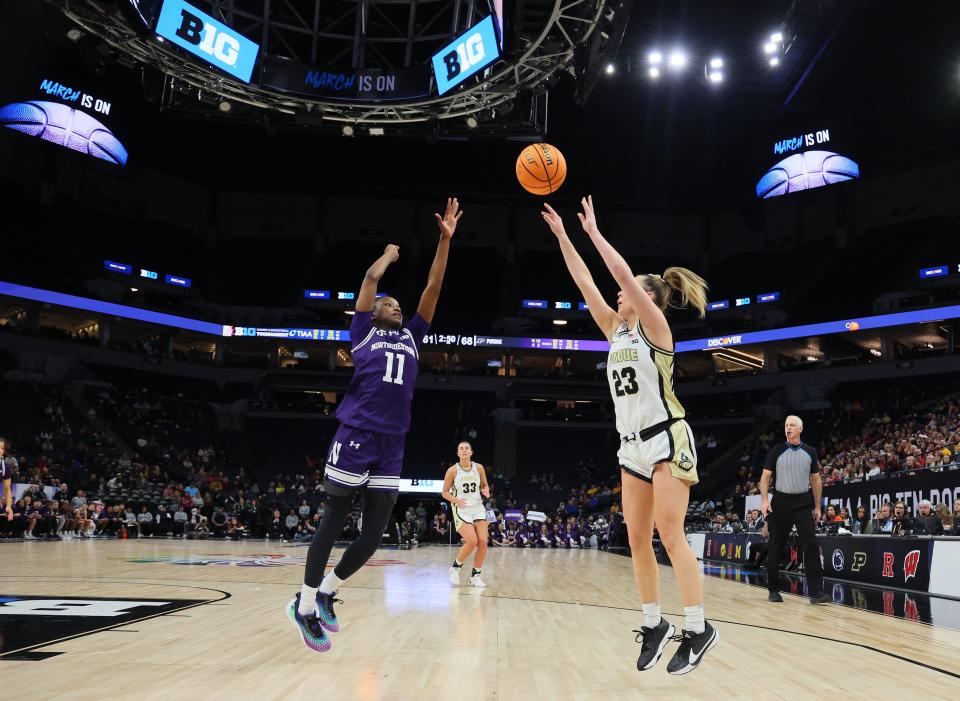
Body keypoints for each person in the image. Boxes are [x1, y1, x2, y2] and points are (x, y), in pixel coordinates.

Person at [541, 197, 718, 675]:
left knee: (669, 533)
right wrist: (563, 236)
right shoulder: (614, 330)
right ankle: (654, 623)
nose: (619, 297)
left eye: (628, 293)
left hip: (667, 437)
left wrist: (595, 232)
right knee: (637, 537)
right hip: (631, 446)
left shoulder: (655, 329)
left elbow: (619, 275)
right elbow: (584, 281)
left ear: (648, 299)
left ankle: (699, 628)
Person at [289, 198, 462, 653]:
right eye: (390, 303)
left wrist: (445, 241)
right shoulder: (362, 331)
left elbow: (435, 286)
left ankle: (326, 591)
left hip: (392, 443)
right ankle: (304, 606)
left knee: (374, 535)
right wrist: (386, 259)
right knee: (332, 523)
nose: (397, 307)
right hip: (356, 435)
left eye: (399, 305)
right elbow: (368, 282)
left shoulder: (412, 337)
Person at [760, 415, 831, 605]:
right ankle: (773, 589)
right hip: (781, 501)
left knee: (810, 544)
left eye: (792, 425)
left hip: (803, 503)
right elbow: (765, 477)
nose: (788, 428)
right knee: (776, 544)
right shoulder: (776, 451)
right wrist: (765, 501)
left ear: (800, 429)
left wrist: (817, 506)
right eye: (786, 425)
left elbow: (815, 480)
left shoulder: (810, 452)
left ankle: (816, 592)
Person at [443, 441, 491, 587]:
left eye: (467, 448)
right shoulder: (452, 470)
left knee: (483, 541)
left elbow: (484, 484)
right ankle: (455, 568)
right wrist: (456, 500)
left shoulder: (479, 468)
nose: (464, 450)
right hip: (461, 508)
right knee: (472, 540)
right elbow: (444, 492)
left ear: (471, 452)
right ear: (458, 453)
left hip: (477, 507)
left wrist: (486, 490)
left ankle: (475, 577)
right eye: (461, 449)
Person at [0, 437, 13, 524]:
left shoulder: (5, 467)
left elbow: (7, 489)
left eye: (2, 448)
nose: (0, 450)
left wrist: (8, 506)